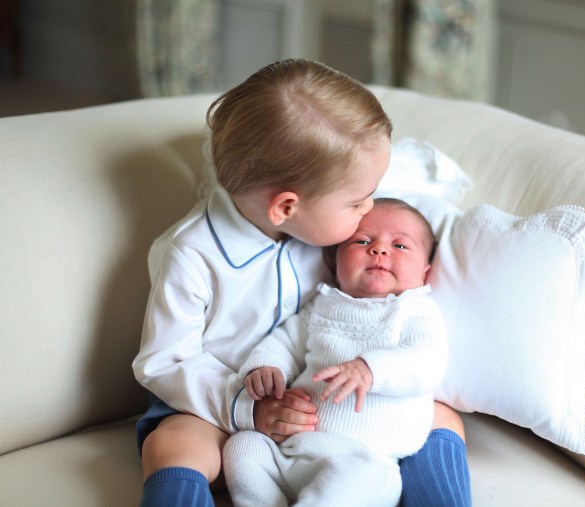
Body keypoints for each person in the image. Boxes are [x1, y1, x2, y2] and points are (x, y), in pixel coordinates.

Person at [132, 58, 471, 507]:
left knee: (442, 416)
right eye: (357, 202)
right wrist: (248, 408)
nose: (368, 209)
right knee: (172, 442)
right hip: (221, 404)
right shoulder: (191, 255)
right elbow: (162, 362)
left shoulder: (327, 223)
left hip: (331, 404)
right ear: (286, 207)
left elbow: (388, 195)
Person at [223, 198, 447, 506]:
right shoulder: (323, 305)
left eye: (400, 246)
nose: (379, 250)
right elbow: (285, 341)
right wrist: (265, 367)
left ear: (424, 272)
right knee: (243, 447)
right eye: (363, 241)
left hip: (366, 458)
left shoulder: (416, 310)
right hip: (293, 449)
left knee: (365, 478)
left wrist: (371, 369)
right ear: (335, 260)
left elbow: (428, 362)